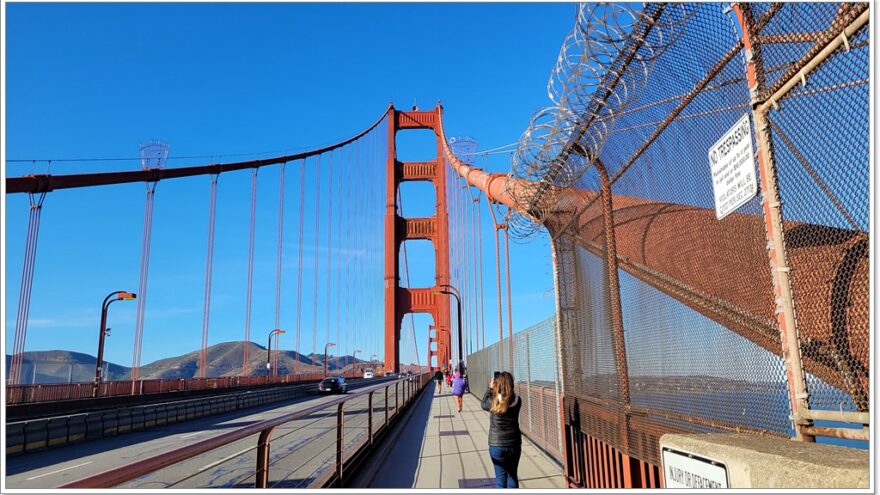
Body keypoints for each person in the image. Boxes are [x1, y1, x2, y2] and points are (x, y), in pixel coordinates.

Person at [481, 371, 522, 488]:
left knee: (500, 478)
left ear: (496, 384)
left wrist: (490, 388)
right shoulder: (518, 401)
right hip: (514, 444)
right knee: (512, 476)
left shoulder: (493, 402)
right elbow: (509, 398)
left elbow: (483, 404)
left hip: (496, 445)